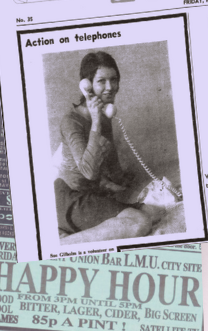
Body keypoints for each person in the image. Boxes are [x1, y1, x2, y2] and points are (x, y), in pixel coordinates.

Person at [55, 51, 163, 244]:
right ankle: (62, 243)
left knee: (155, 211)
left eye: (114, 80)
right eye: (101, 81)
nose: (110, 87)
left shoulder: (105, 115)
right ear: (86, 85)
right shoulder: (71, 121)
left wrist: (154, 185)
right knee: (140, 223)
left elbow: (112, 165)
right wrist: (95, 122)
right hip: (70, 196)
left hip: (94, 195)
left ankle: (80, 231)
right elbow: (88, 172)